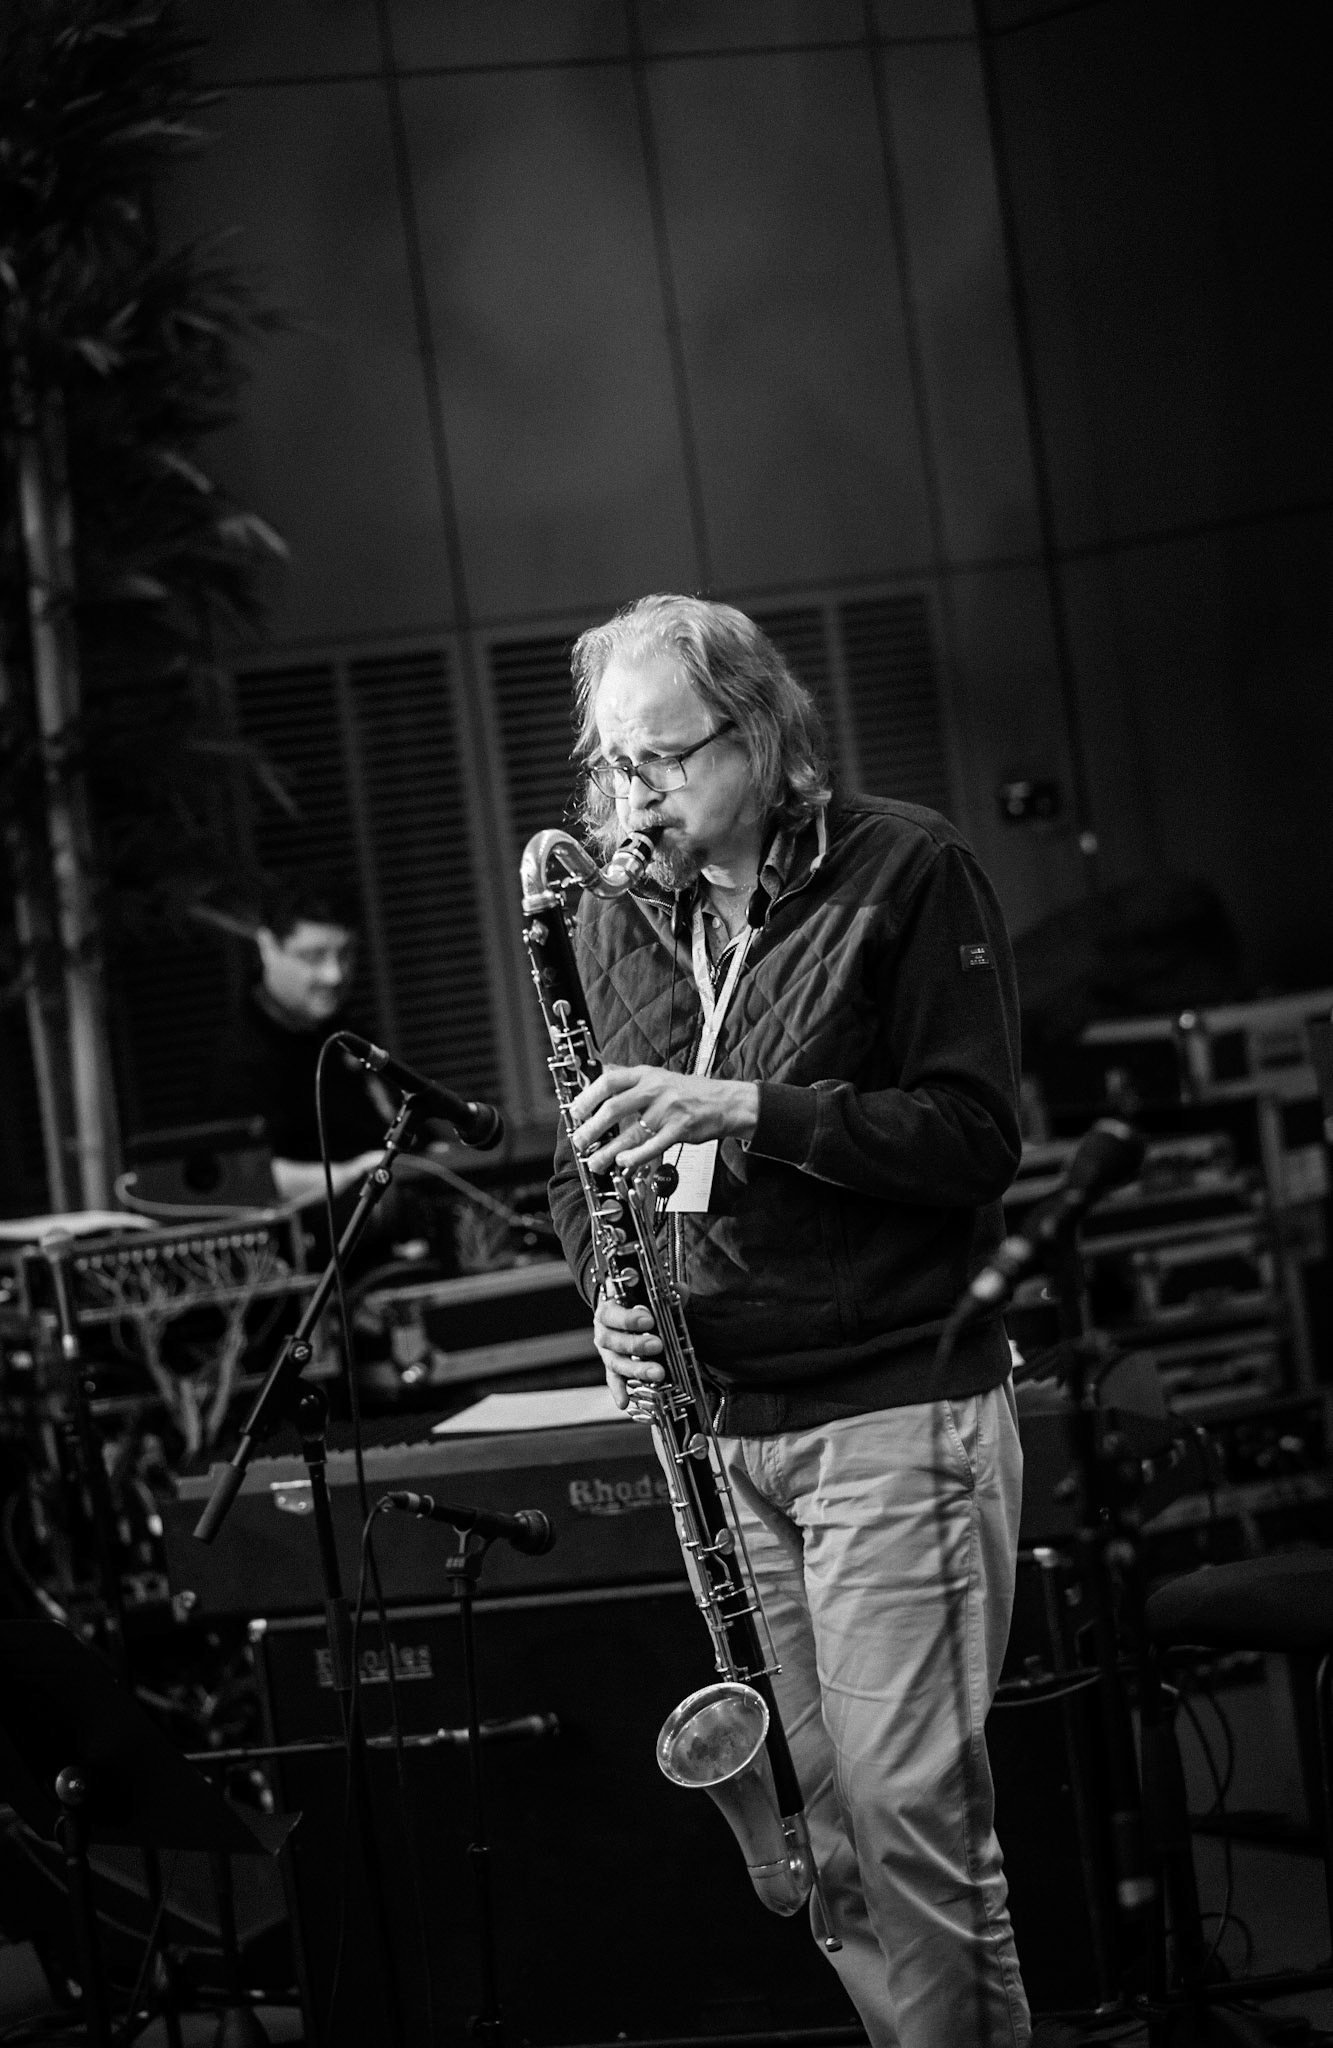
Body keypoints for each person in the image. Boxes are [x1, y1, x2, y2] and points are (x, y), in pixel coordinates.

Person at [548, 594, 1031, 2048]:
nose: (633, 797)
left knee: (907, 1820)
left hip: (892, 1408)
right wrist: (604, 1294)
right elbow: (578, 1166)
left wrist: (750, 1109)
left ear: (759, 736)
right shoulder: (611, 912)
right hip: (718, 1429)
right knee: (818, 1838)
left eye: (664, 759)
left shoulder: (909, 869)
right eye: (612, 764)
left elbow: (972, 1138)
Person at [204, 876, 390, 1205]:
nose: (334, 975)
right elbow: (243, 1175)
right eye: (314, 956)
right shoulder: (239, 1058)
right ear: (268, 947)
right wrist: (353, 1175)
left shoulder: (348, 1031)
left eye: (346, 954)